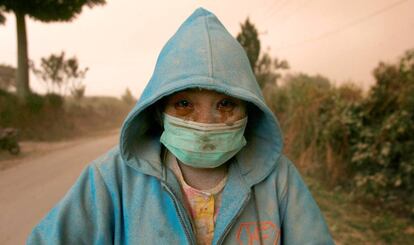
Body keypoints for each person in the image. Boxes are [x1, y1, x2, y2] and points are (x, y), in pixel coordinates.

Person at [27, 8, 334, 245]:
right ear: (159, 110)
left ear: (249, 111)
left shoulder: (279, 181)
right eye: (184, 104)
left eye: (225, 104)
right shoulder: (111, 180)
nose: (205, 123)